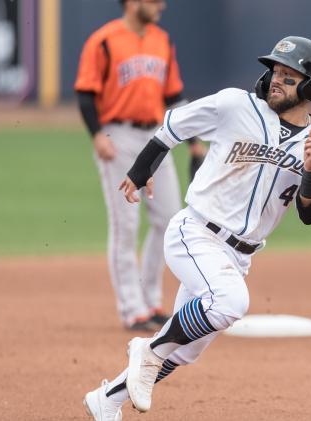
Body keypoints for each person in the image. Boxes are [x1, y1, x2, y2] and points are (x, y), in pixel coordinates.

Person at [82, 35, 311, 420]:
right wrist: (140, 172)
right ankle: (145, 351)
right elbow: (172, 126)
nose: (275, 81)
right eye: (275, 72)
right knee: (231, 303)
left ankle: (107, 401)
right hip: (195, 232)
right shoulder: (235, 105)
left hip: (239, 255)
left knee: (185, 349)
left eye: (289, 76)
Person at [74, 0, 205, 332]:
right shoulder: (104, 40)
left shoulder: (163, 40)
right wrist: (97, 136)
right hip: (117, 136)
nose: (161, 5)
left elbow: (175, 95)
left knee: (169, 219)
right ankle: (131, 309)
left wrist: (193, 140)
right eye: (153, 0)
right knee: (126, 225)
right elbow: (85, 93)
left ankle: (150, 300)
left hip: (157, 137)